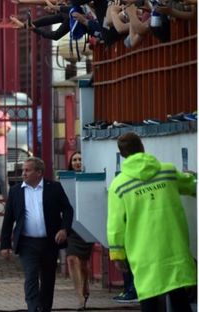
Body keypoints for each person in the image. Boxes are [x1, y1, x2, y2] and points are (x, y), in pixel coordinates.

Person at [107, 132, 196, 312]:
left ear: (122, 154)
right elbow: (191, 186)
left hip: (143, 252)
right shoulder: (168, 171)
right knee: (179, 297)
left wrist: (117, 254)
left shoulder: (119, 185)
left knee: (149, 299)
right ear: (142, 146)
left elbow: (116, 224)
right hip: (173, 246)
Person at [0, 157, 74, 312]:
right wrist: (5, 245)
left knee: (48, 279)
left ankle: (45, 308)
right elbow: (8, 220)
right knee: (31, 276)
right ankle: (33, 308)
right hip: (27, 243)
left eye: (27, 170)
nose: (23, 174)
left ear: (39, 172)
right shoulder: (15, 191)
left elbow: (67, 210)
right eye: (23, 170)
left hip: (49, 242)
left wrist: (64, 229)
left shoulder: (54, 188)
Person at [65, 151, 95, 310]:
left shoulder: (90, 179)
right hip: (71, 226)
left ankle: (85, 286)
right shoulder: (65, 180)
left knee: (83, 263)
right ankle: (79, 297)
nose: (77, 162)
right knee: (71, 259)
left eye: (80, 159)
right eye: (74, 160)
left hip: (86, 224)